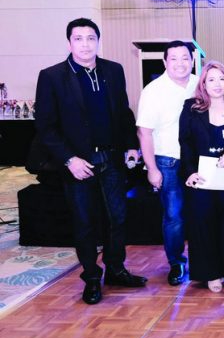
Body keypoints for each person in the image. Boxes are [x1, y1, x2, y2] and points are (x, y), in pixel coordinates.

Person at [34, 17, 147, 305]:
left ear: (98, 40)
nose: (85, 44)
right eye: (78, 38)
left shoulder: (113, 70)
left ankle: (116, 269)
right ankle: (92, 277)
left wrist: (131, 147)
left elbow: (123, 113)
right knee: (84, 221)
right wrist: (69, 159)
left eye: (90, 38)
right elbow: (46, 128)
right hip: (78, 164)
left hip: (111, 158)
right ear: (69, 42)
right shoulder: (52, 76)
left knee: (117, 218)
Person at [179, 61, 224, 293]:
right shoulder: (191, 108)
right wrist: (189, 172)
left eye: (221, 79)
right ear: (203, 84)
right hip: (200, 176)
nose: (217, 84)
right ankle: (209, 274)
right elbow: (185, 142)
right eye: (211, 79)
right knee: (203, 224)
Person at [136, 41, 198, 286]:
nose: (180, 63)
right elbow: (144, 133)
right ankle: (176, 263)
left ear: (192, 60)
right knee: (173, 215)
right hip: (168, 162)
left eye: (185, 58)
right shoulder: (153, 90)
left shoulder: (199, 83)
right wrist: (152, 168)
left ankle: (203, 262)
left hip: (199, 161)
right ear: (165, 62)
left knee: (200, 213)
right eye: (174, 58)